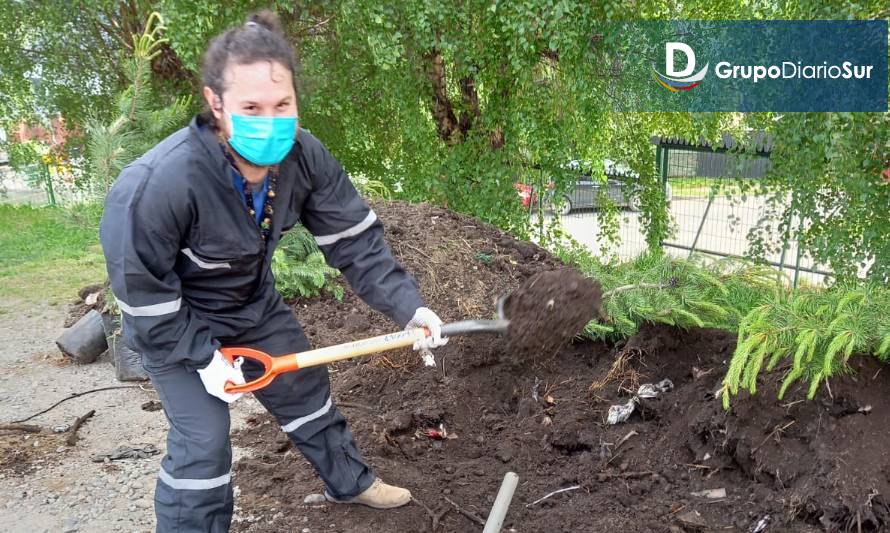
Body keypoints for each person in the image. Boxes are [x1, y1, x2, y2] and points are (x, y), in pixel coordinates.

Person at [99, 11, 446, 532]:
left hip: (251, 306)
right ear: (216, 105)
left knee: (306, 392)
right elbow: (145, 296)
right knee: (204, 444)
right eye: (252, 108)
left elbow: (356, 244)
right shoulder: (158, 184)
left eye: (282, 105)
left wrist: (408, 305)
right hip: (175, 326)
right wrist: (202, 357)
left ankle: (348, 482)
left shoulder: (304, 159)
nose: (272, 120)